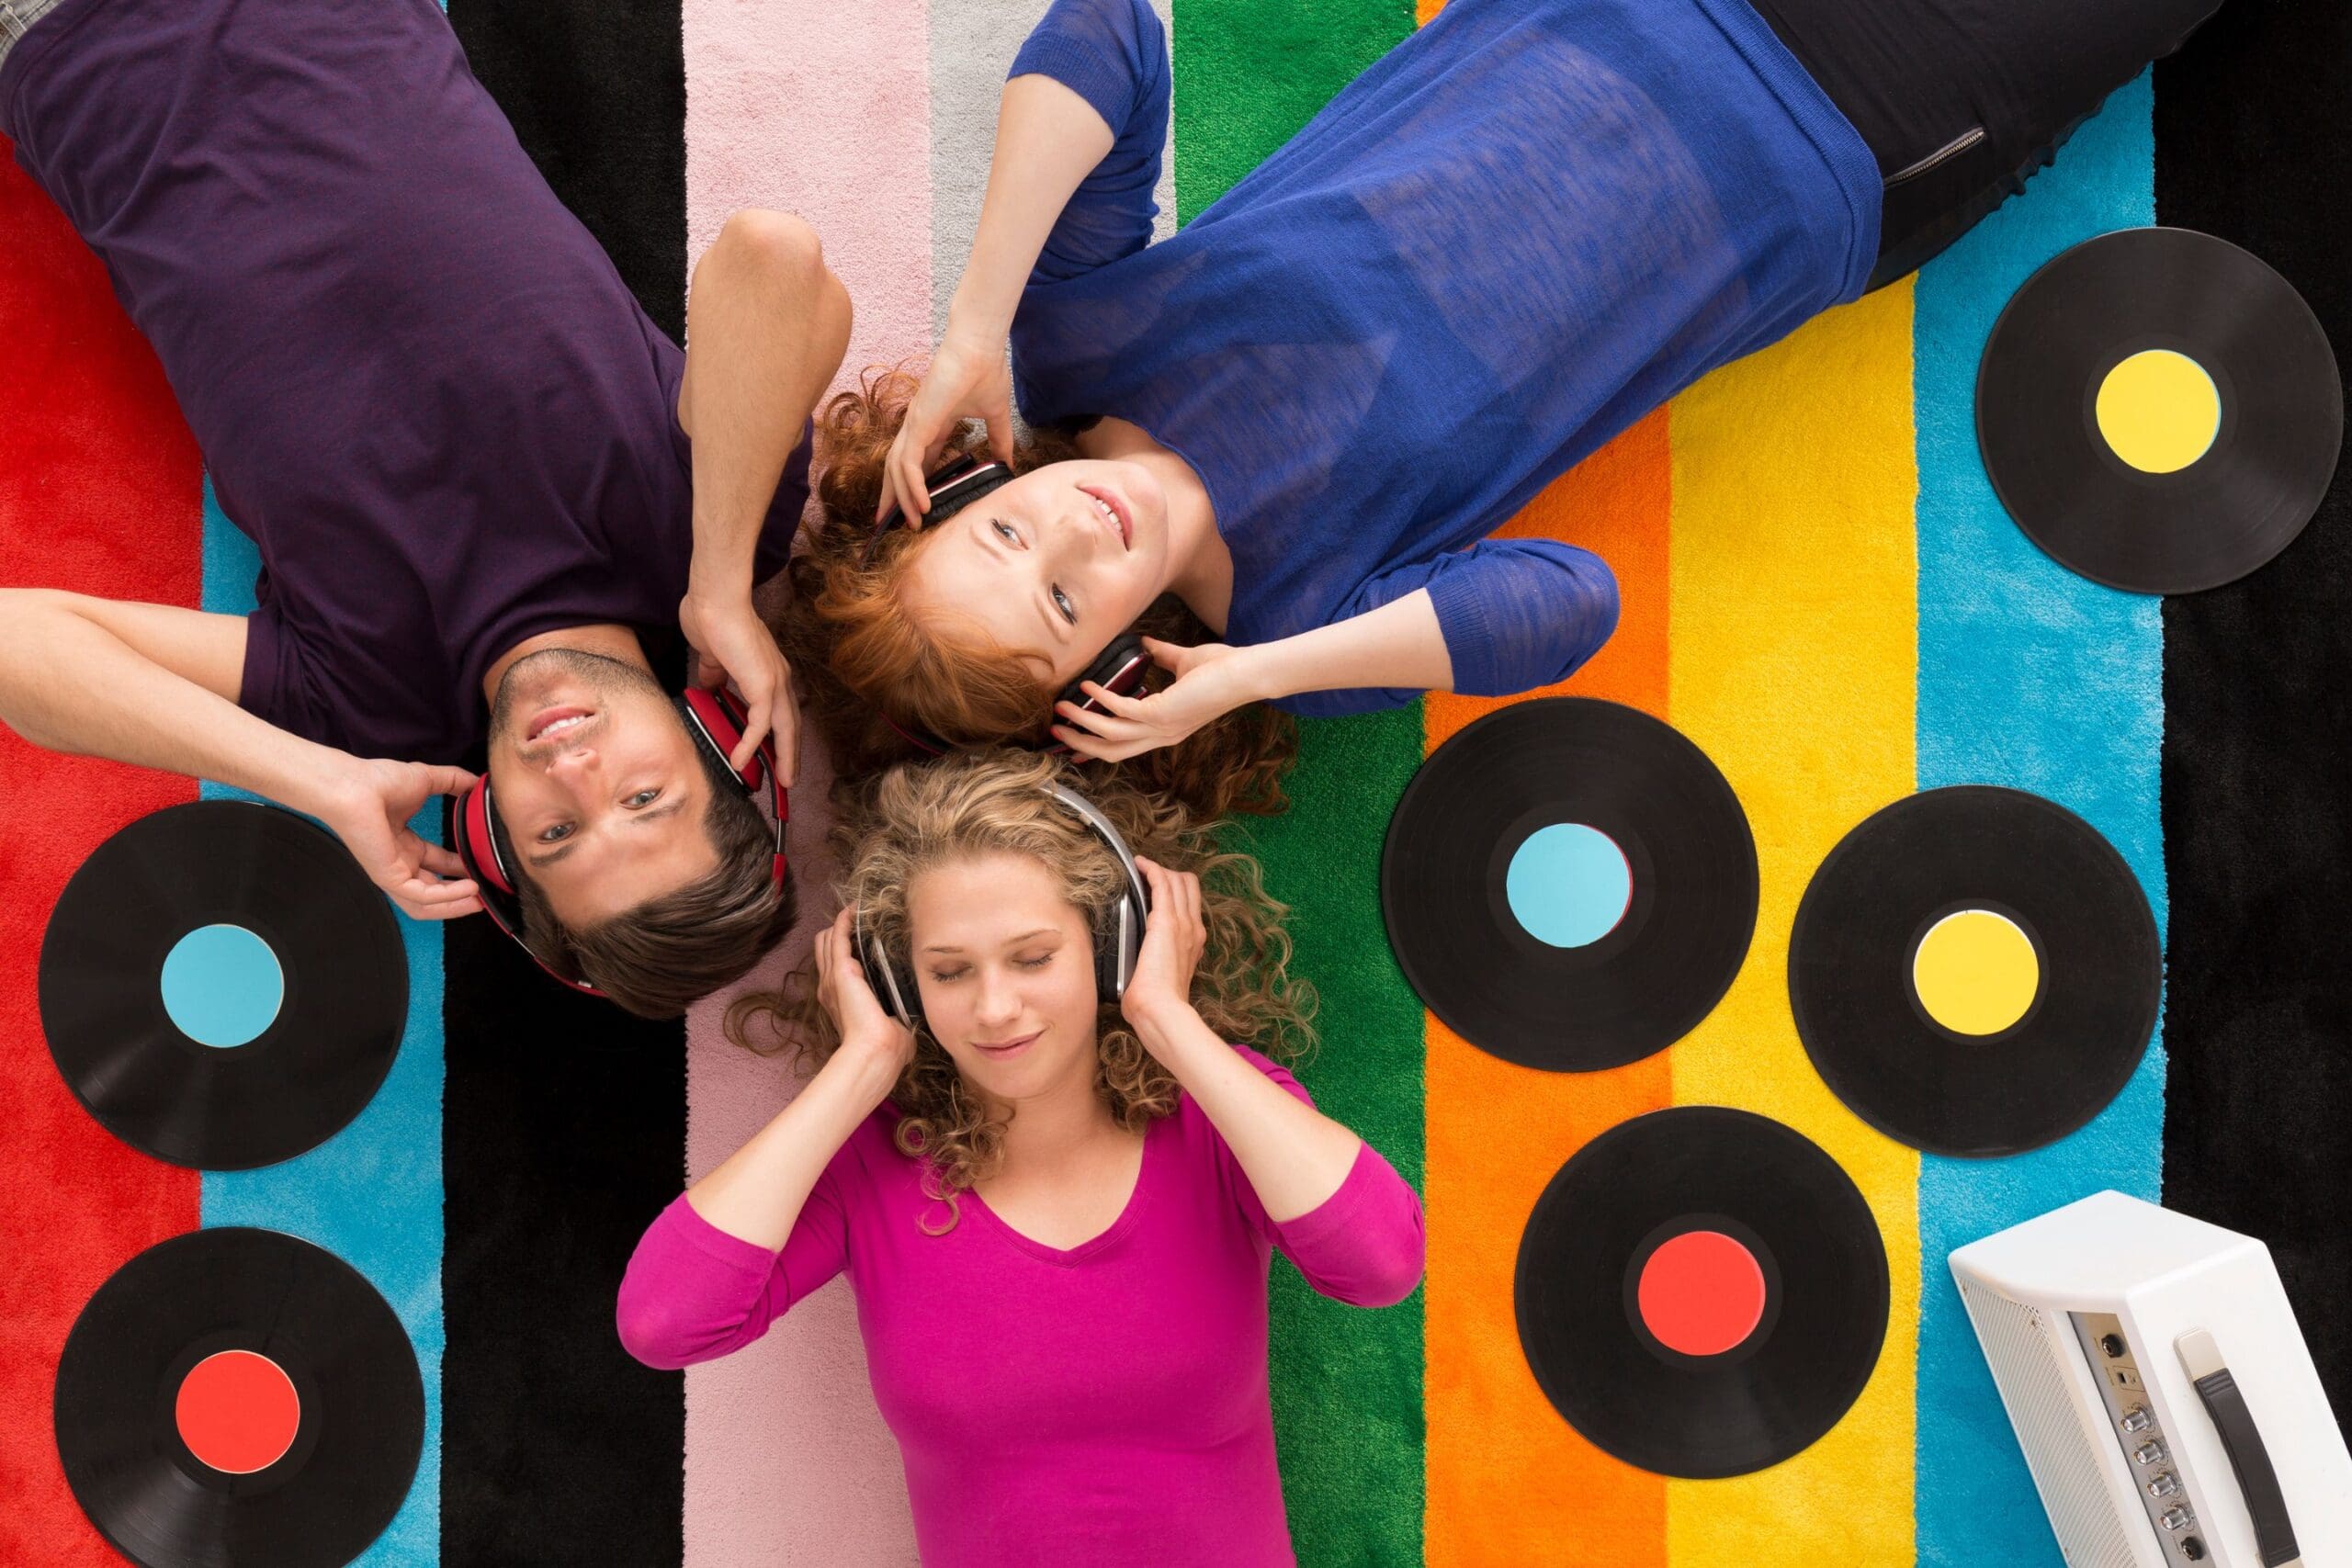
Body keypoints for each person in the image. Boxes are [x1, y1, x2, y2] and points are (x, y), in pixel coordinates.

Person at [784, 0, 2222, 810]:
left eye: (1002, 540)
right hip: (1864, 137)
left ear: (968, 489)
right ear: (1104, 675)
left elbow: (1107, 34)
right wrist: (1249, 676)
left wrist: (976, 317)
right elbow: (1565, 601)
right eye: (1060, 608)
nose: (1069, 544)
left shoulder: (1074, 341)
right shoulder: (1299, 619)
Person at [0, 0, 848, 1013]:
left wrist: (320, 781)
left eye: (554, 835)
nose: (573, 772)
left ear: (489, 831)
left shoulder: (358, 707)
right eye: (642, 798)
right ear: (715, 742)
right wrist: (717, 585)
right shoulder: (707, 524)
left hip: (63, 39)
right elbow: (774, 257)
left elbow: (19, 645)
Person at [616, 750, 1424, 1564]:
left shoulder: (1219, 1115)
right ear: (902, 982)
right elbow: (663, 1322)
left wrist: (1169, 1020)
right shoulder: (869, 1167)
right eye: (948, 971)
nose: (995, 1008)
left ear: (1115, 943)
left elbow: (1382, 1263)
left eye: (1033, 957)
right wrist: (859, 1067)